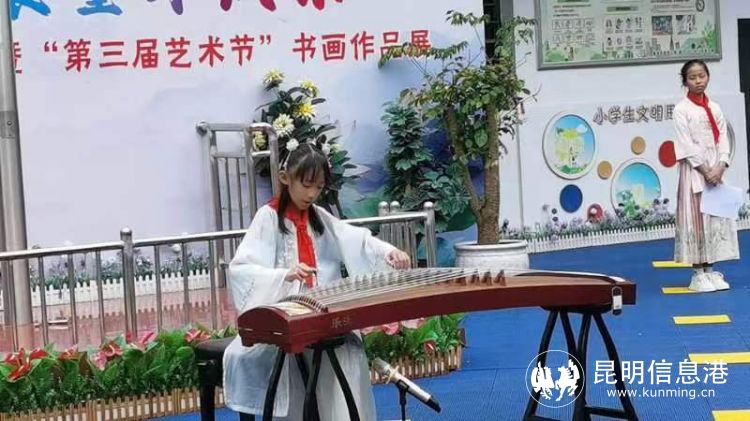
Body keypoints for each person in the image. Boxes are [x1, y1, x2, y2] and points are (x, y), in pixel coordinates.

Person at [223, 141, 411, 420]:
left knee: (347, 349)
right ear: (285, 178)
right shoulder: (268, 218)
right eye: (306, 184)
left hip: (322, 313)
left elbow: (357, 240)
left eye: (319, 187)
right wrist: (284, 275)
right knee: (285, 355)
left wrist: (388, 252)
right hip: (284, 316)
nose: (312, 194)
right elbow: (242, 269)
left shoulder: (319, 217)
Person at [673, 59, 739, 292]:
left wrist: (721, 165)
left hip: (716, 170)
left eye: (702, 76)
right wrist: (705, 170)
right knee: (696, 219)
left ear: (708, 77)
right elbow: (685, 145)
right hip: (695, 171)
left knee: (715, 218)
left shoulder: (715, 108)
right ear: (685, 81)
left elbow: (723, 138)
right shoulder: (681, 110)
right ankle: (698, 274)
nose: (698, 81)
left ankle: (711, 270)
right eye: (692, 77)